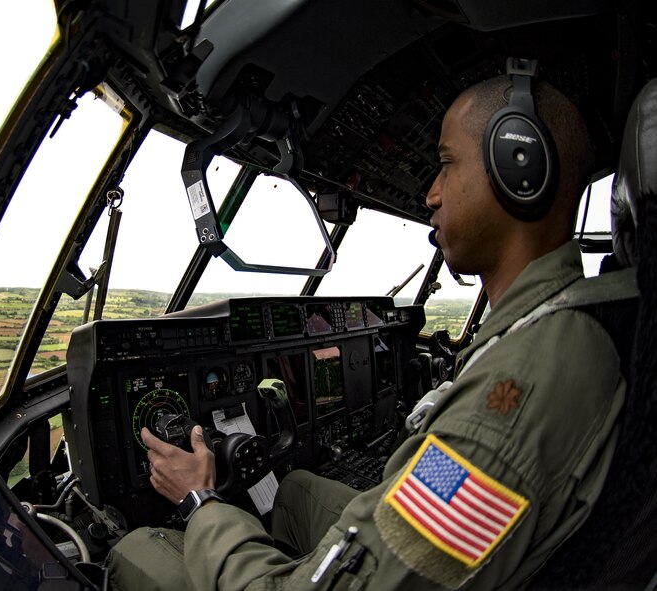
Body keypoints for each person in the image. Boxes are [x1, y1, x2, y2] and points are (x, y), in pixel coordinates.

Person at [105, 70, 625, 590]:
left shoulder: (510, 398)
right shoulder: (558, 329)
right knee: (292, 490)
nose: (431, 194)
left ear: (519, 166)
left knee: (132, 549)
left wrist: (199, 500)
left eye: (445, 165)